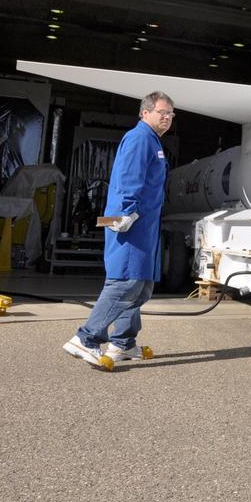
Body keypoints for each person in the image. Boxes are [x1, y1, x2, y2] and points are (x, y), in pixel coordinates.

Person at [63, 92, 173, 367]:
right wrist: (124, 214)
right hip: (131, 223)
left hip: (144, 226)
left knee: (142, 286)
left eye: (171, 114)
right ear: (144, 113)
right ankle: (85, 338)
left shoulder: (152, 141)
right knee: (126, 282)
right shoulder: (139, 139)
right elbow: (127, 179)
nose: (168, 117)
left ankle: (122, 343)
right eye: (162, 112)